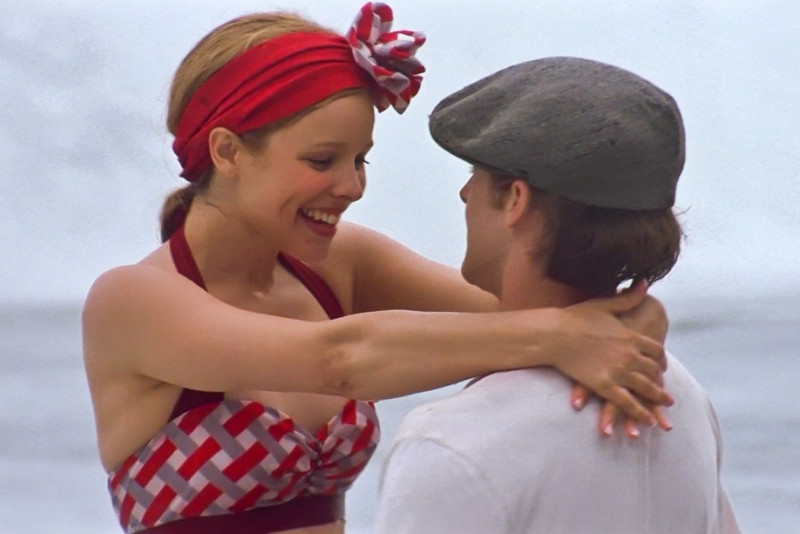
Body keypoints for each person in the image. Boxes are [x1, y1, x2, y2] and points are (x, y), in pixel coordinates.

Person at [82, 4, 673, 533]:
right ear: (228, 151)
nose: (352, 187)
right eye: (322, 160)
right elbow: (340, 361)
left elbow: (546, 310)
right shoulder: (131, 302)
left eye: (360, 160)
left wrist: (636, 320)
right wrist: (563, 337)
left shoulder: (343, 261)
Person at [375, 57, 741, 533]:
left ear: (516, 199)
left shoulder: (452, 443)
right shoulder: (683, 398)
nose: (465, 194)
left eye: (475, 172)